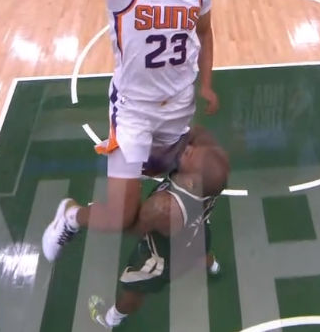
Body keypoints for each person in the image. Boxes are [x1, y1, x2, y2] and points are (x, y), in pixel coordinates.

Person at [38, 0, 218, 261]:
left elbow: (206, 33)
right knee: (122, 216)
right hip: (134, 112)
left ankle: (186, 240)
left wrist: (207, 83)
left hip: (179, 108)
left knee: (208, 177)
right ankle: (71, 215)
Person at [89, 127, 229, 329]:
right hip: (197, 235)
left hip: (161, 260)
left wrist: (129, 182)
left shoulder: (163, 208)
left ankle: (111, 318)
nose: (188, 148)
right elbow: (191, 135)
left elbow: (131, 226)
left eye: (190, 154)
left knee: (133, 289)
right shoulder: (210, 183)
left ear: (190, 182)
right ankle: (213, 266)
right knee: (199, 250)